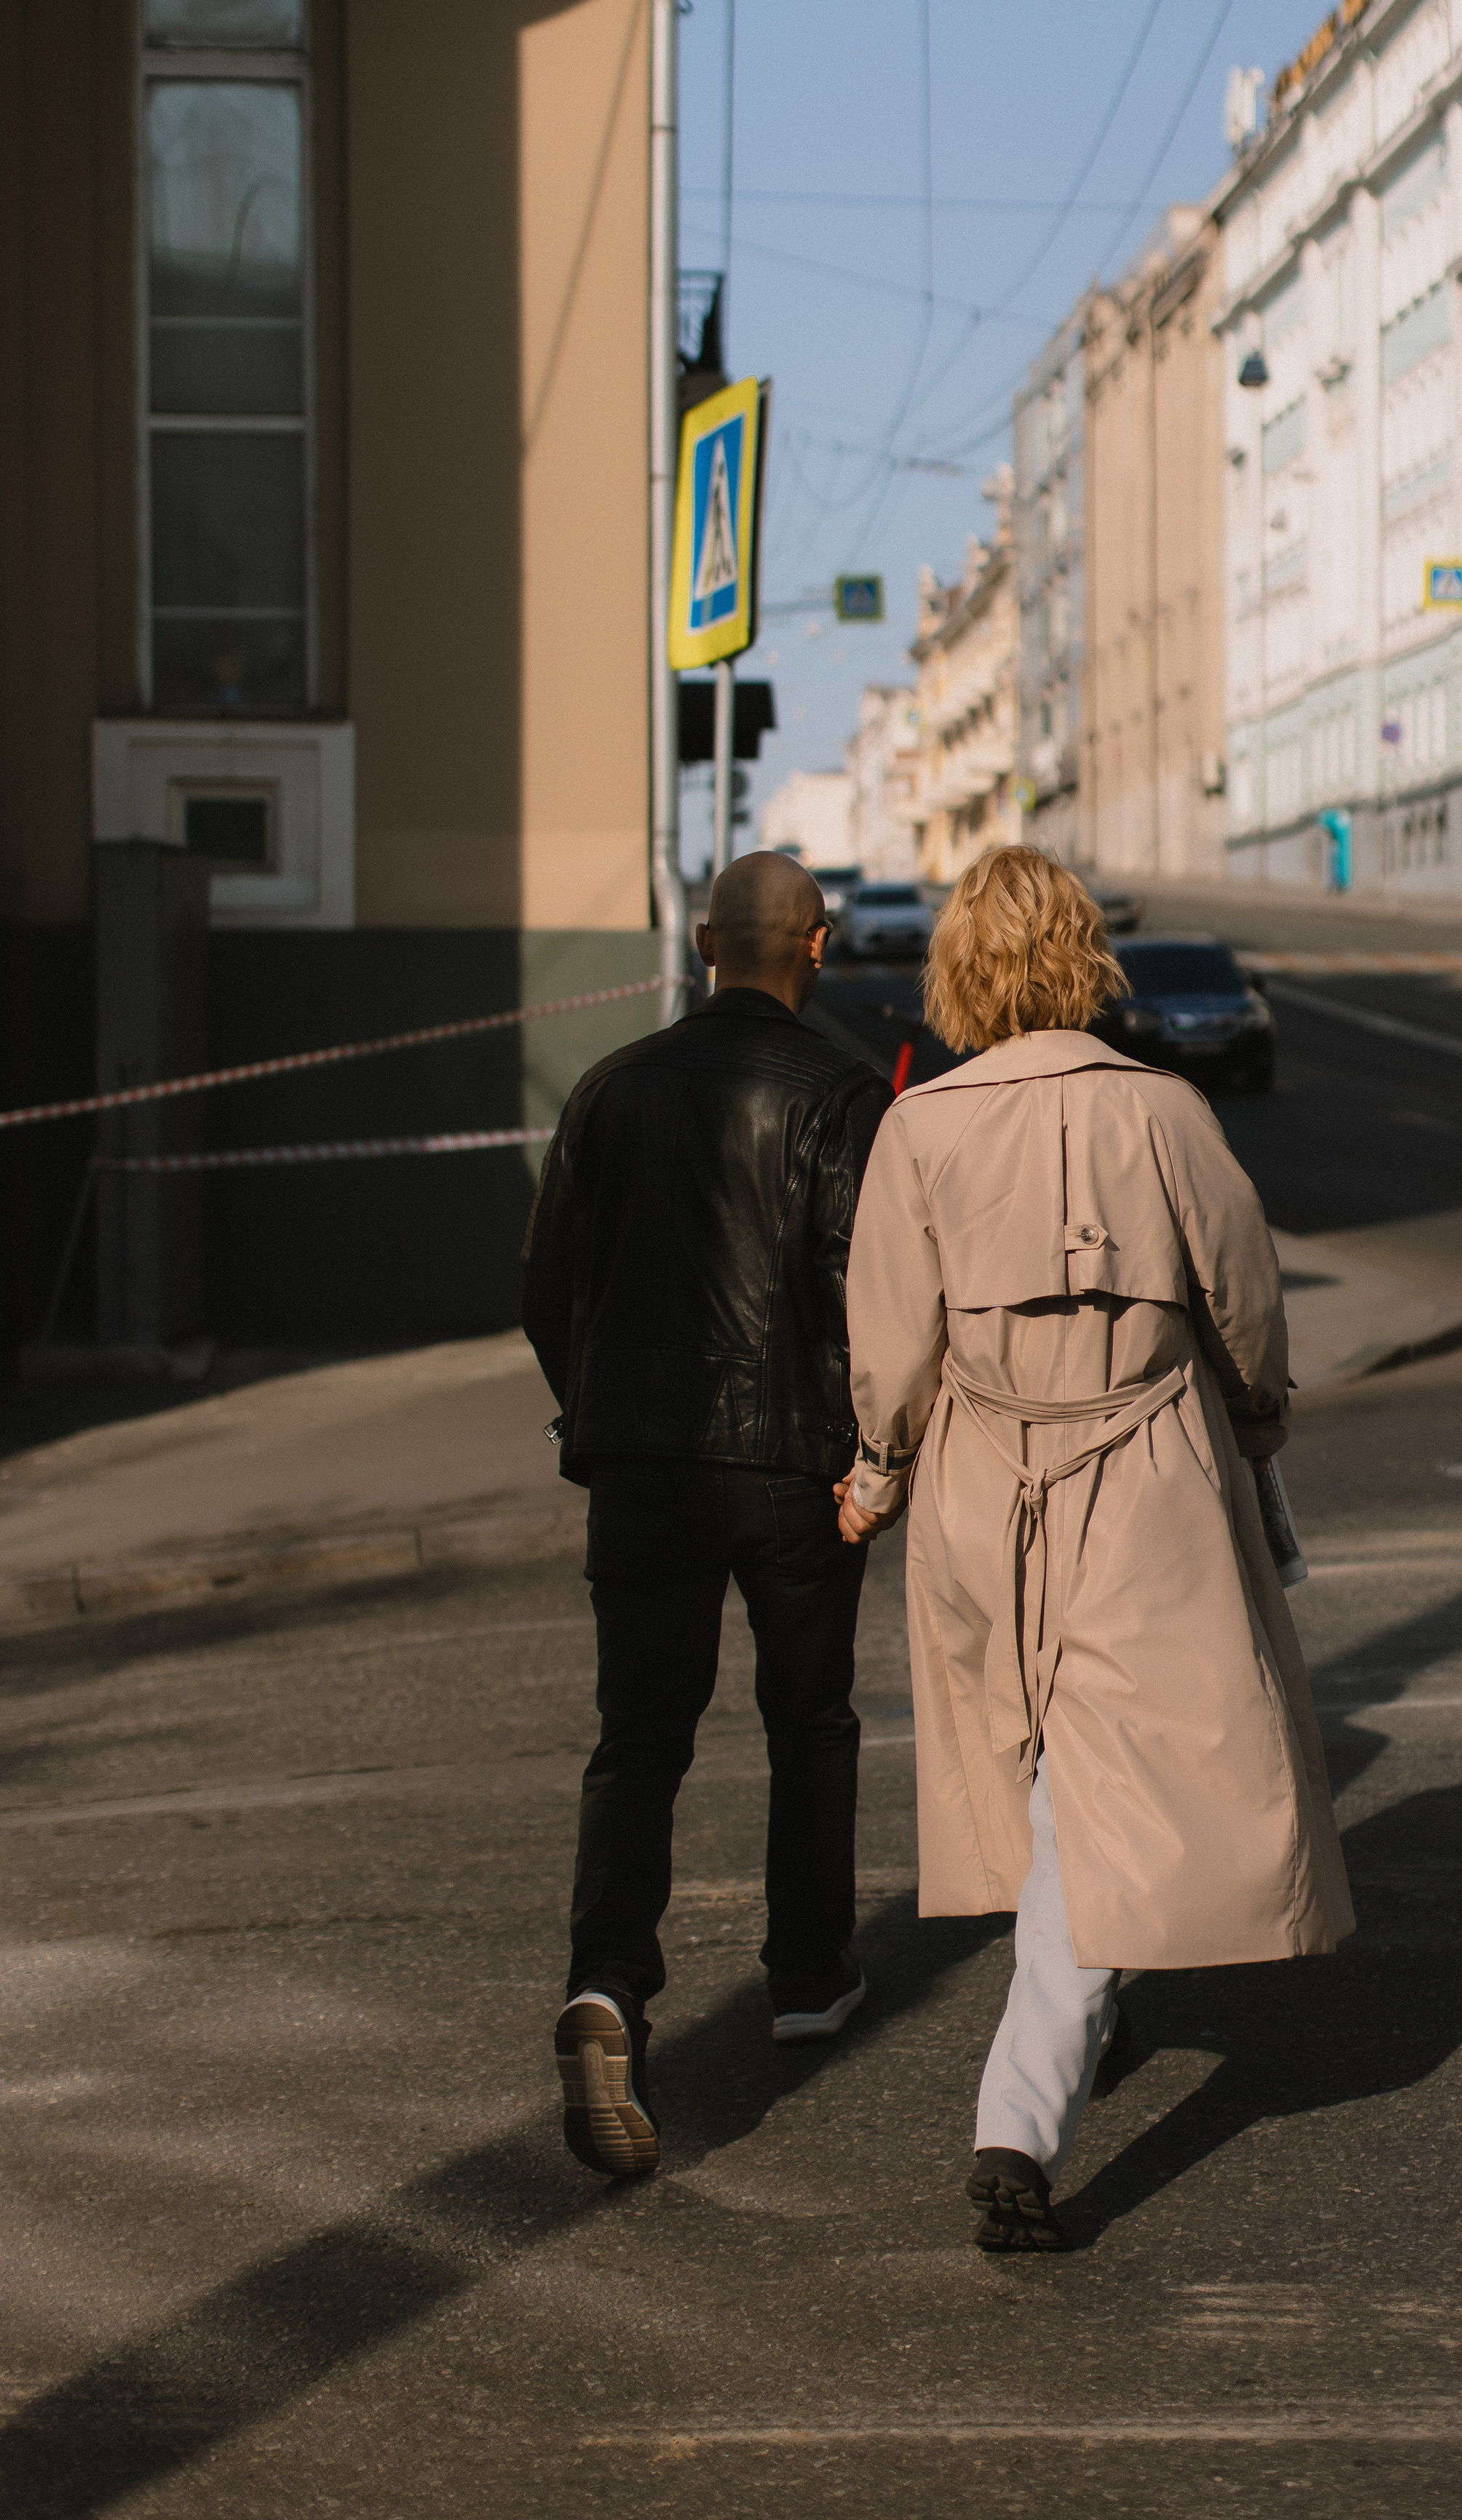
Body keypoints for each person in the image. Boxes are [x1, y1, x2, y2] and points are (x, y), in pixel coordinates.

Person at [838, 847, 1353, 2251]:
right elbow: (1244, 1298)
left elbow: (888, 1337)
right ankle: (1026, 2102)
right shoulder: (1165, 1111)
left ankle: (1035, 2087)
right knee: (1101, 1781)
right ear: (1086, 959)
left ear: (957, 969)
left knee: (1047, 1777)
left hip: (981, 1472)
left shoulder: (922, 1126)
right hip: (1146, 1469)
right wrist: (1254, 1429)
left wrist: (876, 1470)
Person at [523, 850, 892, 2179]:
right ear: (821, 943)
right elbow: (867, 1292)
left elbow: (546, 1282)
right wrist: (874, 1452)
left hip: (644, 1466)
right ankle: (807, 1973)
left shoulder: (611, 1090)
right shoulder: (843, 1095)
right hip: (797, 1469)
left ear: (699, 942)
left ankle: (609, 1985)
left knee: (639, 1739)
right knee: (812, 1720)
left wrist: (600, 1410)